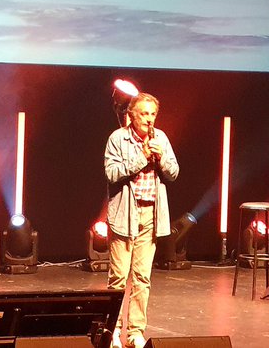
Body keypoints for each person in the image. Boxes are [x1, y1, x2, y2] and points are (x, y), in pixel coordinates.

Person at [104, 92, 179, 348]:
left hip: (150, 215)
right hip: (125, 214)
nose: (149, 119)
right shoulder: (118, 139)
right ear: (131, 115)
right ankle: (112, 330)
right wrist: (142, 158)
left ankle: (135, 332)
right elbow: (112, 173)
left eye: (153, 114)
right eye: (144, 114)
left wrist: (162, 158)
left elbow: (174, 173)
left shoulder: (161, 138)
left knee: (142, 277)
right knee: (118, 278)